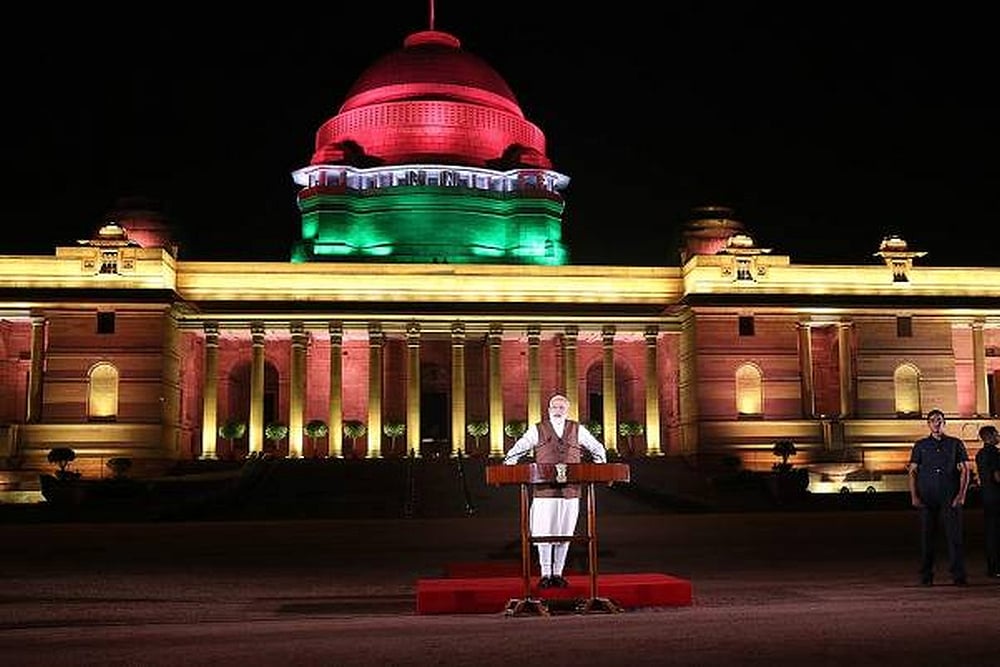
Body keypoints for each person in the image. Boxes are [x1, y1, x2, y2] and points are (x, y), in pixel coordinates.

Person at [503, 393, 607, 589]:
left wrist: (601, 462)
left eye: (562, 407)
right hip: (544, 491)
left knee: (565, 531)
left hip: (570, 490)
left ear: (567, 410)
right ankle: (545, 573)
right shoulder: (538, 429)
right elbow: (522, 445)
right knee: (544, 531)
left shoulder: (577, 428)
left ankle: (558, 573)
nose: (558, 410)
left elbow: (595, 447)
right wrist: (510, 460)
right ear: (549, 410)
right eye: (555, 407)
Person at [907, 408, 970, 586]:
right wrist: (914, 496)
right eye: (933, 420)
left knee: (955, 537)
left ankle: (958, 575)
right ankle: (926, 575)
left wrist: (961, 495)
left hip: (950, 495)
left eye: (940, 419)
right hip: (927, 496)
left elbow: (965, 470)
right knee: (927, 537)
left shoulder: (955, 443)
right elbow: (912, 472)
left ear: (944, 422)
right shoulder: (920, 446)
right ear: (928, 424)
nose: (937, 422)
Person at [974, 424, 1000, 577]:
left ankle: (992, 567)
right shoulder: (995, 454)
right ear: (990, 437)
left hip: (986, 495)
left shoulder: (979, 454)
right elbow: (997, 476)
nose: (998, 436)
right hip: (997, 496)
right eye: (997, 434)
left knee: (991, 532)